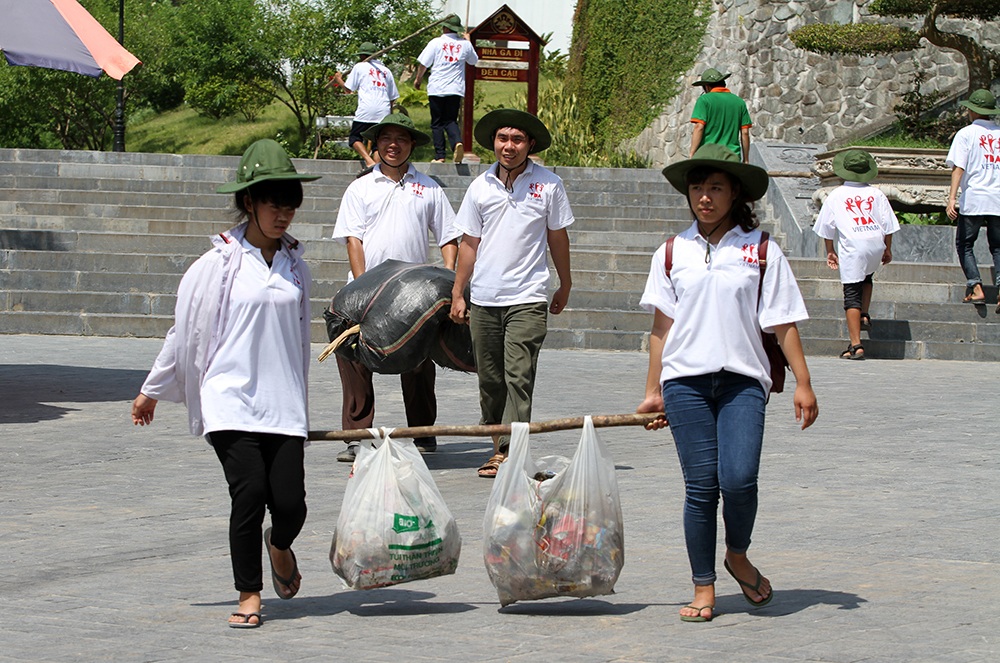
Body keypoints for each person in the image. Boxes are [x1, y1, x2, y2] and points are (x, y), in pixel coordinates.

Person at [130, 139, 319, 629]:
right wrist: (152, 388)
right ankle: (250, 594)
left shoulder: (297, 267)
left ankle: (280, 547)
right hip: (228, 396)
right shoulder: (216, 264)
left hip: (283, 400)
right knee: (249, 493)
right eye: (274, 203)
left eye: (291, 204)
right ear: (249, 202)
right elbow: (185, 329)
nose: (284, 214)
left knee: (292, 506)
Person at [636, 144, 818, 623]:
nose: (705, 197)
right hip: (684, 384)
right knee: (700, 487)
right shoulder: (673, 251)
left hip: (743, 381)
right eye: (698, 188)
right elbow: (661, 328)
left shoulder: (760, 249)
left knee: (739, 479)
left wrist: (803, 383)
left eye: (715, 187)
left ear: (735, 193)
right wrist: (653, 391)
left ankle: (737, 554)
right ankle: (703, 588)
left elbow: (783, 322)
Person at [449, 108, 574, 478]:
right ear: (494, 144)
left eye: (517, 139)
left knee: (518, 374)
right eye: (503, 139)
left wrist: (564, 283)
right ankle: (497, 443)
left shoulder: (549, 184)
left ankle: (507, 451)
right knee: (490, 380)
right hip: (485, 297)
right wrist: (459, 292)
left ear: (530, 144)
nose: (509, 146)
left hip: (529, 296)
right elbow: (469, 243)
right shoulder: (479, 186)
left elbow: (557, 237)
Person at [331, 113, 461, 462]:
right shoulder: (360, 187)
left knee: (418, 361)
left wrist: (447, 278)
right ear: (376, 144)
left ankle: (422, 432)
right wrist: (362, 287)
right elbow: (353, 239)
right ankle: (356, 435)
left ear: (411, 145)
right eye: (386, 138)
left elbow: (449, 236)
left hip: (412, 294)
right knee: (353, 358)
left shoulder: (429, 187)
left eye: (401, 138)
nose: (393, 144)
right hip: (364, 292)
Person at [813, 149, 899, 360]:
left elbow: (826, 228)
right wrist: (887, 248)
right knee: (867, 276)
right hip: (875, 243)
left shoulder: (836, 195)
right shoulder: (877, 194)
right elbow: (888, 226)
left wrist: (830, 251)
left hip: (853, 246)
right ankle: (865, 314)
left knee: (851, 293)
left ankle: (856, 345)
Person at [946, 88, 1000, 310]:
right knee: (998, 247)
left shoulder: (966, 134)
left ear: (972, 111)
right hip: (998, 198)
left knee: (965, 244)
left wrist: (951, 198)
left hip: (975, 198)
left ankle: (976, 287)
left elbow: (958, 168)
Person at [415, 14, 478, 164]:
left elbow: (424, 63)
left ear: (444, 27)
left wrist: (418, 79)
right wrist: (468, 41)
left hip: (437, 87)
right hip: (455, 88)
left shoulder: (436, 43)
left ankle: (440, 155)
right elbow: (474, 61)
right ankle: (457, 142)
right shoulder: (464, 44)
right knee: (450, 120)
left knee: (436, 123)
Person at [332, 42, 399, 171]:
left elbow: (348, 90)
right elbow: (392, 98)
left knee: (355, 138)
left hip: (366, 110)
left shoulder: (360, 67)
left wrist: (338, 79)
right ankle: (378, 168)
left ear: (362, 56)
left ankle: (369, 162)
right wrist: (389, 115)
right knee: (378, 143)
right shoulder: (386, 71)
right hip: (383, 112)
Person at [690, 68, 752, 163]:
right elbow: (745, 132)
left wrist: (692, 153)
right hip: (732, 158)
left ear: (707, 87)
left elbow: (699, 127)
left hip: (707, 156)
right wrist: (746, 159)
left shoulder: (704, 100)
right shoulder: (739, 103)